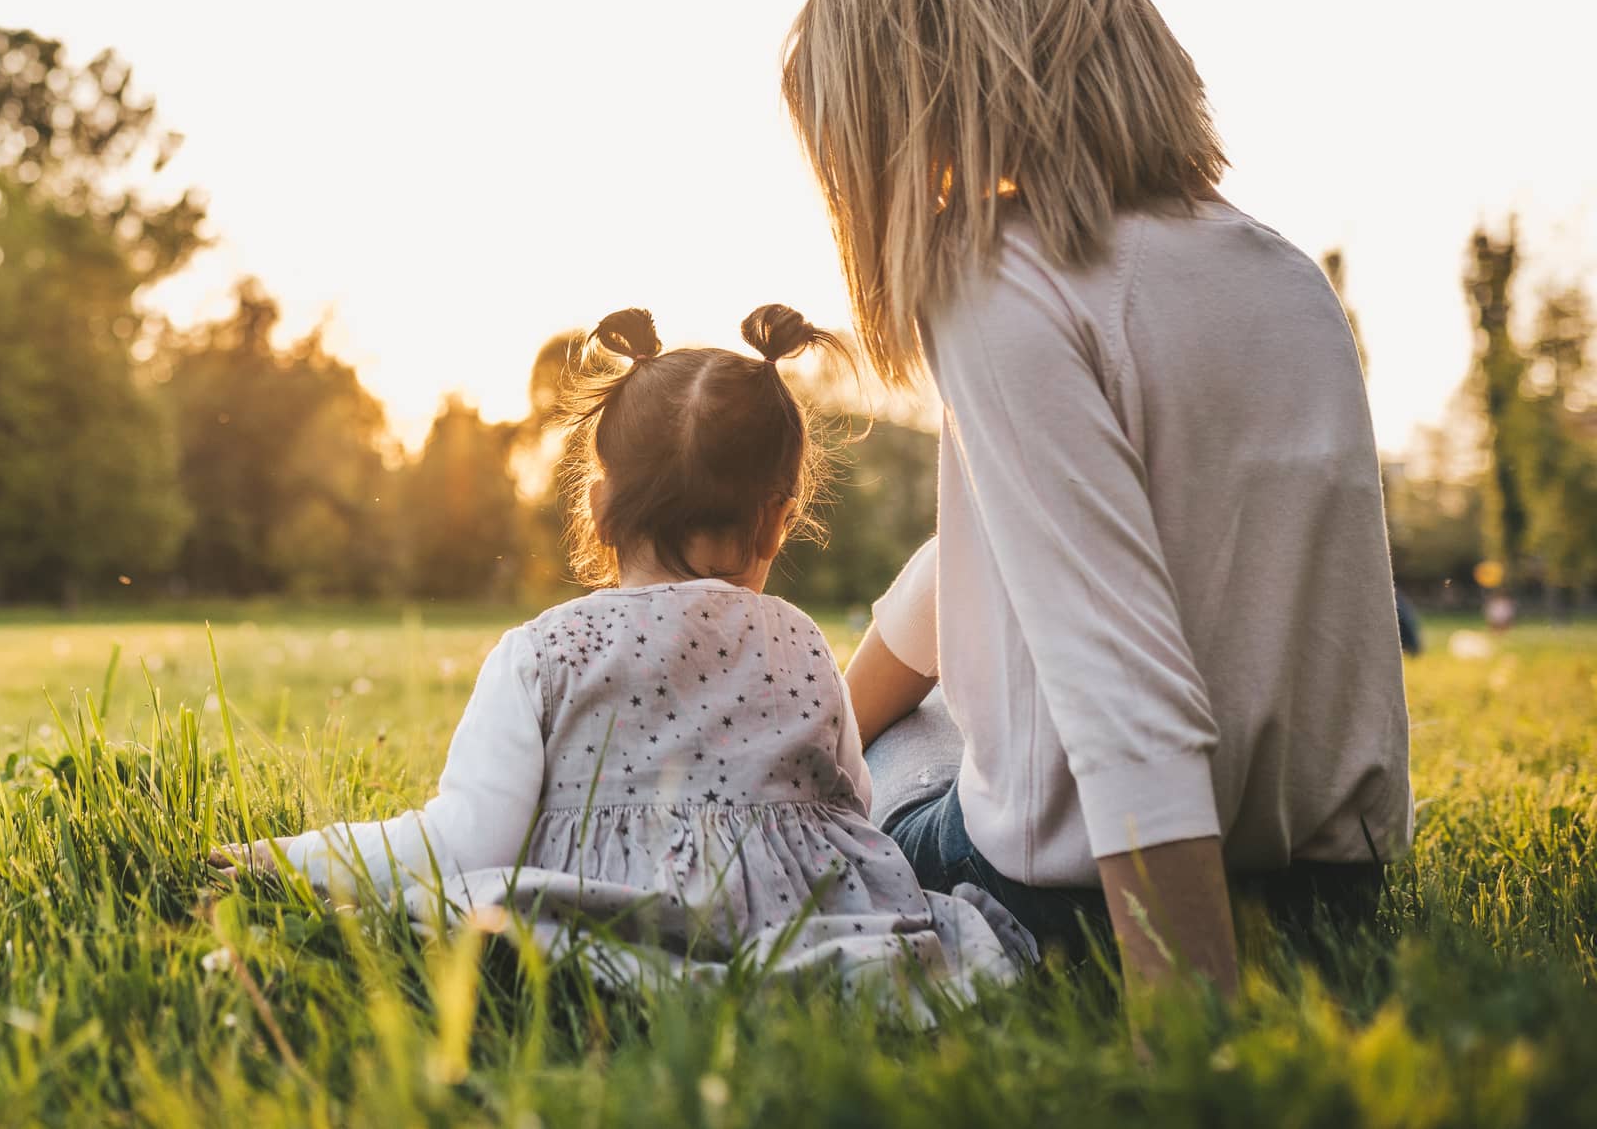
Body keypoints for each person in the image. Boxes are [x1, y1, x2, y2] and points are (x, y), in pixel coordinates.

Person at [783, 0, 1414, 992]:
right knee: (960, 589)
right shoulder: (1282, 273)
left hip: (1094, 905)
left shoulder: (996, 277)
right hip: (1331, 892)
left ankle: (783, 773)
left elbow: (1122, 684)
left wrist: (1188, 1027)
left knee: (881, 762)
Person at [213, 306, 1034, 1004]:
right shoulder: (802, 641)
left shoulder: (542, 653)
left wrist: (285, 858)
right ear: (779, 517)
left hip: (613, 920)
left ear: (598, 504)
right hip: (811, 920)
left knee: (464, 903)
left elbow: (463, 842)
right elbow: (851, 806)